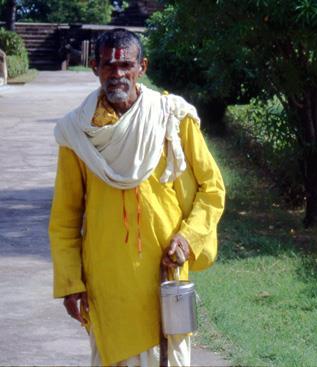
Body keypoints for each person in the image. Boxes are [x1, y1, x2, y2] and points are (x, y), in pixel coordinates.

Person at [49, 28, 225, 366]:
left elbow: (213, 188)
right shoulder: (78, 134)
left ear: (142, 67)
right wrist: (71, 281)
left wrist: (189, 239)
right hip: (108, 281)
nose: (117, 74)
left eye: (126, 65)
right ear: (94, 69)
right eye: (108, 66)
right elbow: (65, 217)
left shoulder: (171, 116)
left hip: (166, 273)